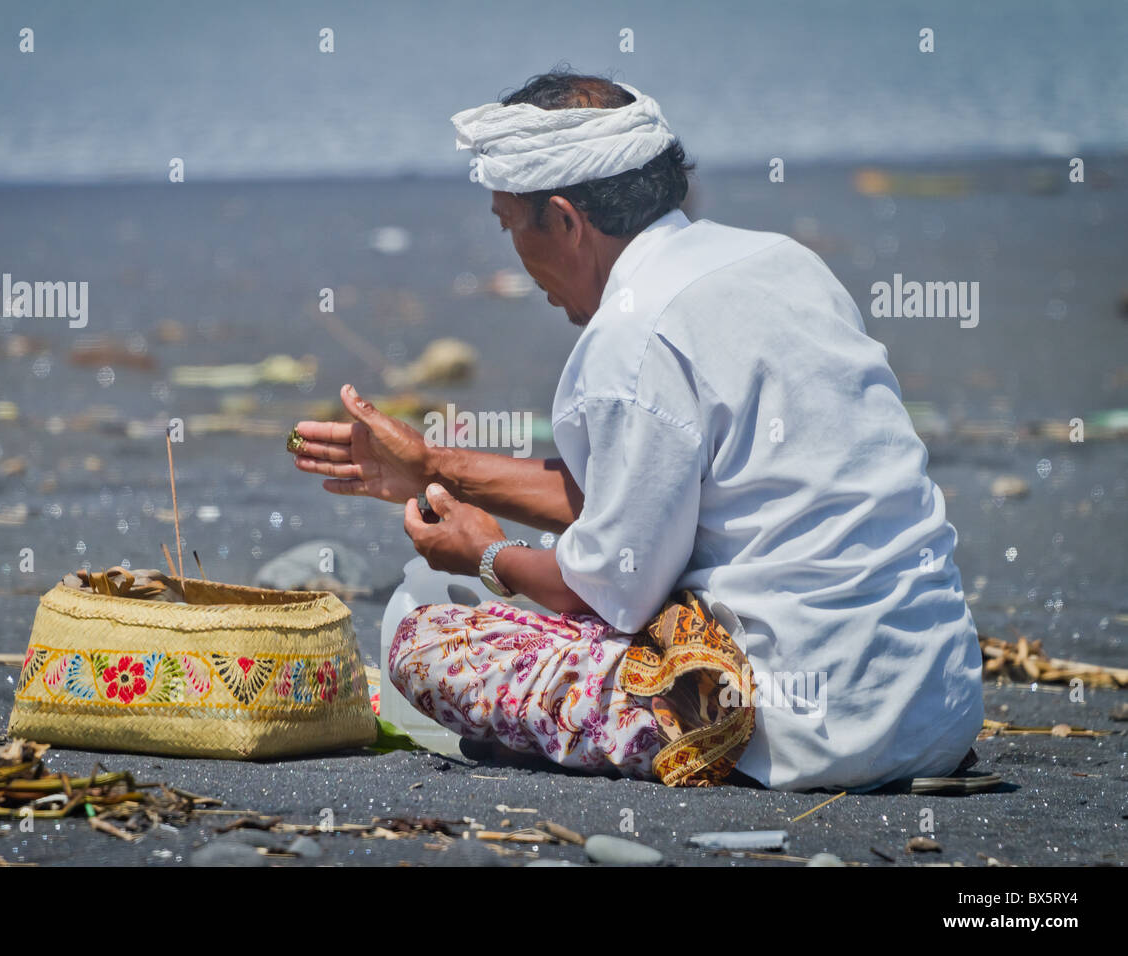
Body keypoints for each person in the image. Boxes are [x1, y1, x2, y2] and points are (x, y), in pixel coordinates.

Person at [287, 70, 983, 792]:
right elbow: (645, 492)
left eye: (508, 224)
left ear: (563, 219)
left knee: (422, 630)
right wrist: (431, 464)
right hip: (938, 706)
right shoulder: (783, 264)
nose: (516, 259)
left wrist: (489, 555)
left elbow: (617, 590)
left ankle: (655, 737)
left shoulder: (634, 334)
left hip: (801, 730)